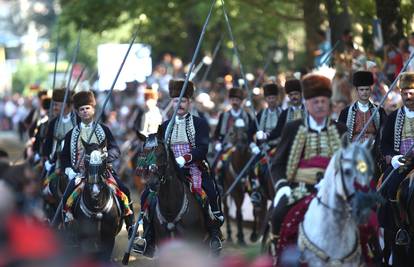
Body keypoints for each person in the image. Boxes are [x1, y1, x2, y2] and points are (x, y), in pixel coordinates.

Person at [134, 80, 223, 255]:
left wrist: (186, 158)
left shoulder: (200, 123)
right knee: (147, 196)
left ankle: (214, 234)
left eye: (183, 100)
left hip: (193, 169)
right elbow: (158, 148)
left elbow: (203, 148)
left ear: (189, 102)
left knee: (210, 192)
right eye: (176, 100)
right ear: (171, 103)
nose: (179, 104)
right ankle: (148, 238)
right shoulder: (165, 126)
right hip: (169, 171)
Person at [270, 74, 347, 244]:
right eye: (315, 102)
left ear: (329, 104)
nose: (319, 106)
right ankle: (277, 251)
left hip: (335, 190)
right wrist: (282, 186)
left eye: (323, 101)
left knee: (365, 218)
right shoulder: (292, 128)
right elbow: (278, 163)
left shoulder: (341, 129)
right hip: (299, 188)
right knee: (278, 215)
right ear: (307, 104)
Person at [59, 90, 134, 233]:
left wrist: (105, 157)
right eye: (81, 109)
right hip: (80, 174)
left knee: (124, 190)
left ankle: (131, 226)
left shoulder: (104, 129)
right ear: (77, 112)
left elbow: (115, 150)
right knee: (66, 196)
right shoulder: (71, 134)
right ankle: (67, 228)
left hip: (103, 173)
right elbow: (64, 157)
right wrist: (69, 170)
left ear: (93, 109)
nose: (85, 111)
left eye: (87, 108)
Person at [379, 72, 414, 245]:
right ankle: (401, 228)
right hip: (403, 162)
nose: (409, 96)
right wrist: (393, 158)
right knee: (391, 187)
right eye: (405, 93)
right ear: (401, 93)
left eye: (412, 92)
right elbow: (384, 144)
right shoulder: (393, 117)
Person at [338, 70, 386, 143]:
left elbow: (385, 132)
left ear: (370, 90)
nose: (364, 92)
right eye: (362, 90)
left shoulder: (379, 111)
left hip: (374, 149)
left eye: (367, 89)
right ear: (357, 91)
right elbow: (341, 134)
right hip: (354, 148)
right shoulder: (345, 112)